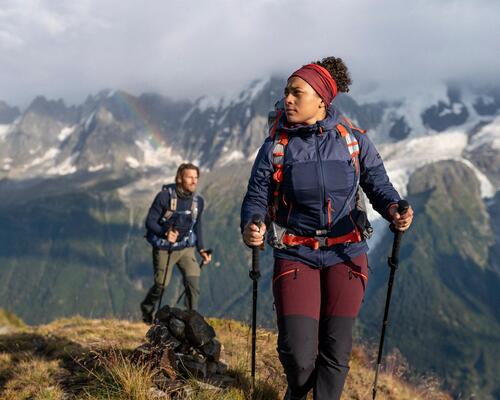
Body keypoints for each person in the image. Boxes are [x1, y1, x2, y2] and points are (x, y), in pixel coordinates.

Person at [241, 57, 414, 400]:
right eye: (286, 93)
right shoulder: (276, 146)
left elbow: (378, 185)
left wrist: (395, 209)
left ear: (322, 99)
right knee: (298, 356)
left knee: (336, 352)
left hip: (346, 253)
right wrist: (252, 224)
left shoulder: (353, 141)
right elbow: (256, 195)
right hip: (295, 254)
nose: (287, 99)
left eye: (296, 93)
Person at [141, 163, 212, 324]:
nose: (194, 181)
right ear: (179, 178)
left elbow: (197, 225)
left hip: (186, 248)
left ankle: (192, 322)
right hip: (164, 248)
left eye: (196, 177)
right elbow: (150, 222)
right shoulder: (164, 197)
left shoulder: (198, 202)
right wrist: (165, 233)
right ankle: (147, 308)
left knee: (193, 283)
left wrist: (201, 249)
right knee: (161, 285)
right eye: (189, 177)